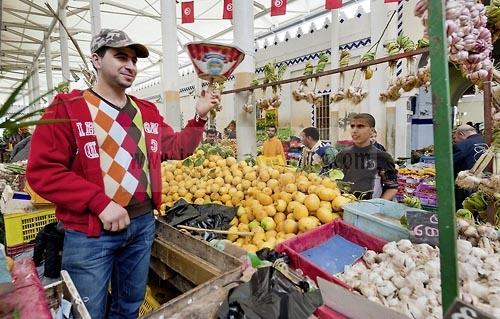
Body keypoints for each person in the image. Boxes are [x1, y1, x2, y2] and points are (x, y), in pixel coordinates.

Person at [26, 29, 220, 319]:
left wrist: (199, 117)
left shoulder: (146, 112)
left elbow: (177, 148)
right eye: (120, 56)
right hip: (90, 233)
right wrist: (99, 202)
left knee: (130, 306)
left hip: (141, 225)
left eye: (134, 59)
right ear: (96, 59)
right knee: (87, 311)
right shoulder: (68, 109)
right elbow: (43, 172)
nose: (130, 65)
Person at [334, 113, 398, 200]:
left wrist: (377, 206)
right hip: (343, 207)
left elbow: (392, 187)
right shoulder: (342, 155)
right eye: (352, 126)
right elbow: (333, 181)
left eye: (360, 126)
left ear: (372, 131)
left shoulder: (382, 157)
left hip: (369, 210)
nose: (354, 130)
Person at [453, 124, 487, 208]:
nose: (455, 141)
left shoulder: (462, 145)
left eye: (455, 138)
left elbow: (450, 165)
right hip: (487, 185)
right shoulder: (488, 140)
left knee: (465, 210)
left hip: (467, 187)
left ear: (461, 134)